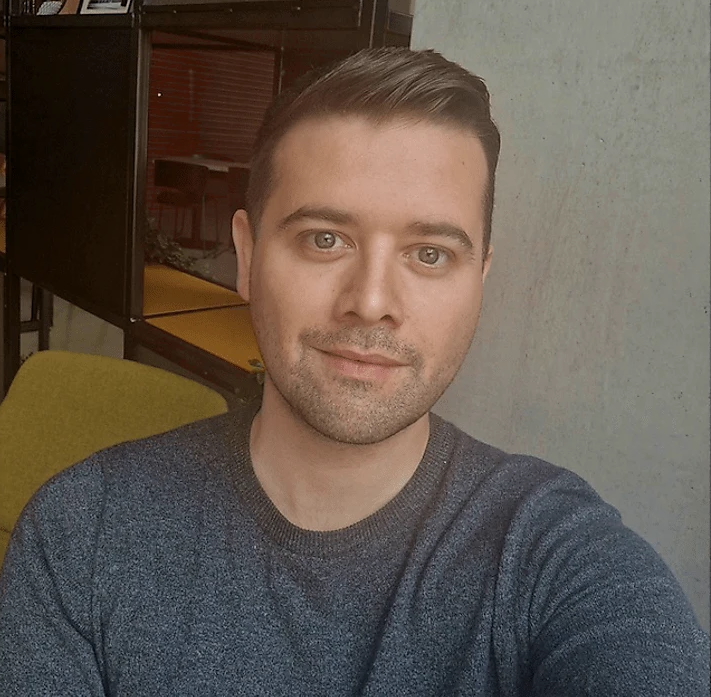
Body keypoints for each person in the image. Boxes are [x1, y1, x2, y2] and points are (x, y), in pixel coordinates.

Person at [0, 47, 708, 696]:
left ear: (480, 279)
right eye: (325, 239)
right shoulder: (82, 534)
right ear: (247, 255)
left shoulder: (553, 556)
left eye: (429, 254)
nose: (371, 301)